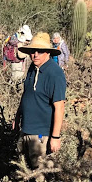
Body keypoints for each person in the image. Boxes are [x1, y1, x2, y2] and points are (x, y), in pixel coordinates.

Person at [13, 32, 67, 170]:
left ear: (48, 52)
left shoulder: (55, 74)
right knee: (22, 170)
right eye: (32, 51)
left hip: (41, 135)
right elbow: (27, 94)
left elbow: (59, 107)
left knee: (40, 175)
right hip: (25, 129)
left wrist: (55, 137)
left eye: (40, 51)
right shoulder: (32, 68)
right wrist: (18, 116)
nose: (35, 54)